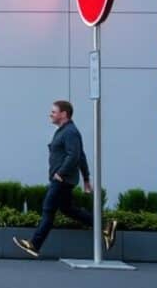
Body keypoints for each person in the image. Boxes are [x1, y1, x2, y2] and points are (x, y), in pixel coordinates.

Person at [13, 100, 117, 258]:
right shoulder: (65, 130)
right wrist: (86, 179)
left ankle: (34, 244)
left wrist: (61, 173)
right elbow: (81, 156)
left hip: (62, 180)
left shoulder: (70, 132)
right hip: (63, 179)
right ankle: (105, 227)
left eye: (53, 112)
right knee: (68, 209)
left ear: (63, 114)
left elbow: (74, 155)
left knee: (48, 209)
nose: (50, 114)